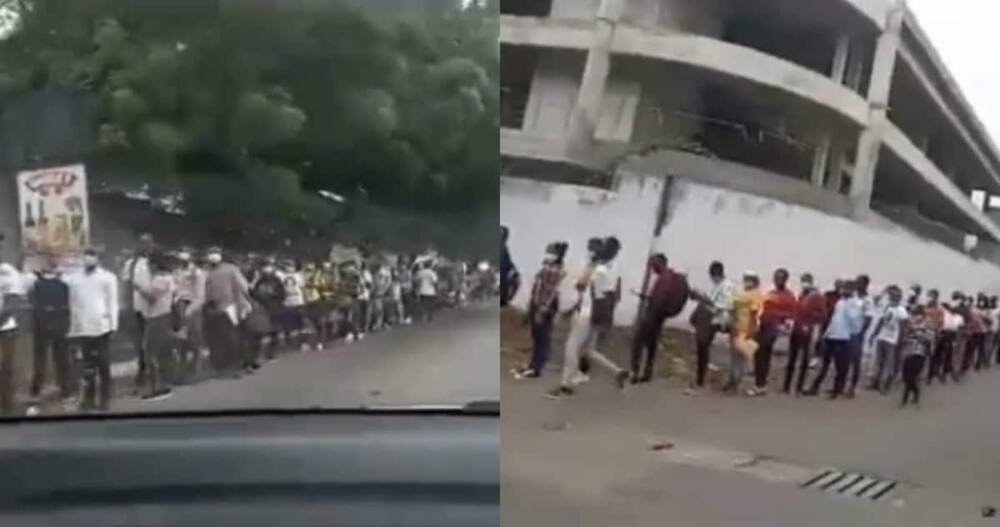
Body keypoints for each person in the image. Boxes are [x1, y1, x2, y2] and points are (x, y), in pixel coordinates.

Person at [546, 238, 629, 399]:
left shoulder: (598, 269)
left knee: (571, 347)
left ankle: (566, 387)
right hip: (598, 314)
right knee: (589, 350)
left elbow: (580, 285)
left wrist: (590, 266)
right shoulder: (613, 269)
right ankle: (617, 371)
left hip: (585, 313)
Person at [66, 248, 119, 412]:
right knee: (87, 367)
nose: (88, 259)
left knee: (103, 365)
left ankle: (105, 400)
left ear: (97, 259)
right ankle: (88, 399)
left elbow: (112, 302)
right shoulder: (75, 279)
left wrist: (113, 325)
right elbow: (73, 304)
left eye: (92, 256)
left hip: (102, 327)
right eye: (86, 256)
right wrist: (73, 328)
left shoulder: (108, 278)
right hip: (82, 328)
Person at [630, 254, 687, 384]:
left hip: (653, 316)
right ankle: (647, 372)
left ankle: (635, 372)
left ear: (661, 263)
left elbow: (660, 298)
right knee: (651, 345)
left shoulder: (664, 279)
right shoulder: (667, 277)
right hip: (659, 317)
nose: (652, 267)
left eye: (653, 264)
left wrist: (649, 316)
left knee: (638, 342)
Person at [515, 241, 567, 380]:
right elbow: (539, 286)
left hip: (544, 308)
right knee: (537, 336)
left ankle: (536, 367)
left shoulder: (555, 269)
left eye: (550, 252)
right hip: (538, 305)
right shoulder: (548, 266)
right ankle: (533, 365)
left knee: (541, 337)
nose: (547, 254)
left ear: (557, 254)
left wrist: (542, 309)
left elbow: (551, 292)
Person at [28, 255, 73, 402]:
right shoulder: (62, 285)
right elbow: (66, 307)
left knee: (42, 360)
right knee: (60, 360)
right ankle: (64, 390)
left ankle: (37, 389)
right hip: (57, 326)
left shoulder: (37, 285)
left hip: (43, 326)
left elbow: (34, 306)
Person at [805, 279, 860, 399]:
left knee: (840, 366)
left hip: (843, 338)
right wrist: (826, 334)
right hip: (831, 336)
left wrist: (851, 335)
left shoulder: (854, 304)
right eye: (843, 288)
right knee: (824, 363)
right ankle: (814, 387)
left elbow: (855, 323)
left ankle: (836, 390)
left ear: (852, 291)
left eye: (846, 288)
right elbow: (834, 319)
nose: (843, 290)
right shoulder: (840, 302)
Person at [203, 246, 251, 377]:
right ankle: (225, 366)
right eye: (210, 253)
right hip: (214, 308)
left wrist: (241, 303)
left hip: (231, 307)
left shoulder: (230, 269)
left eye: (215, 253)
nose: (212, 256)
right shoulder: (207, 271)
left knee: (233, 338)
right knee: (221, 339)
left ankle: (238, 366)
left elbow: (243, 286)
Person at [136, 252, 178, 400]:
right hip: (165, 316)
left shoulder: (160, 280)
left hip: (156, 317)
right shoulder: (170, 278)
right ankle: (163, 384)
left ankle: (157, 387)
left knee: (150, 353)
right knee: (161, 352)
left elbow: (151, 296)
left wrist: (139, 288)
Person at [751, 268, 798, 397]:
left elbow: (792, 316)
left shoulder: (789, 296)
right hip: (763, 327)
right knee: (759, 356)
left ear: (785, 280)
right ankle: (760, 384)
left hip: (773, 330)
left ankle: (760, 385)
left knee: (762, 355)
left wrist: (781, 326)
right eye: (776, 277)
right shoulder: (771, 293)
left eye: (781, 278)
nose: (778, 280)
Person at [688, 261, 733, 394]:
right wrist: (699, 297)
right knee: (702, 348)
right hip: (707, 319)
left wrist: (704, 299)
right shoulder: (715, 287)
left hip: (717, 320)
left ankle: (701, 380)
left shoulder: (727, 287)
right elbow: (709, 300)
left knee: (703, 346)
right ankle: (700, 379)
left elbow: (725, 306)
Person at [782, 273, 826, 395]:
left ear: (811, 282)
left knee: (804, 361)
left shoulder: (817, 296)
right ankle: (786, 386)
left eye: (806, 281)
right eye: (803, 281)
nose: (804, 283)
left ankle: (799, 387)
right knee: (791, 359)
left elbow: (822, 315)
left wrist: (811, 319)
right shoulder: (801, 295)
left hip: (807, 331)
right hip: (796, 330)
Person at [122, 233, 155, 394]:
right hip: (138, 308)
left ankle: (160, 376)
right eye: (143, 243)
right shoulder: (131, 264)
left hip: (158, 307)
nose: (146, 246)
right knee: (141, 344)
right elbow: (126, 285)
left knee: (156, 343)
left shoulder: (156, 262)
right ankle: (141, 376)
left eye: (149, 242)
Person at [724, 271, 764, 395]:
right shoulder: (741, 294)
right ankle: (732, 381)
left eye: (750, 279)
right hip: (736, 329)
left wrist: (751, 332)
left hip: (745, 331)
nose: (747, 281)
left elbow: (753, 315)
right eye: (746, 279)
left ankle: (737, 382)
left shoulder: (756, 295)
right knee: (734, 357)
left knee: (741, 358)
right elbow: (733, 311)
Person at [172, 249, 206, 382]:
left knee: (195, 340)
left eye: (184, 261)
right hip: (179, 306)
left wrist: (189, 311)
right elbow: (175, 289)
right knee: (181, 341)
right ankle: (182, 371)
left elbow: (200, 296)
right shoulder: (177, 272)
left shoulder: (197, 273)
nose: (181, 263)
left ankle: (196, 371)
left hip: (193, 306)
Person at [868, 285, 909, 394]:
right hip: (882, 337)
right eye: (891, 296)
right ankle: (875, 382)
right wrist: (874, 334)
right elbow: (881, 321)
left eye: (895, 296)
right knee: (879, 362)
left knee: (890, 364)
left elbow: (903, 327)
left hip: (892, 339)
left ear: (899, 297)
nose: (892, 297)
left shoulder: (901, 311)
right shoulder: (888, 307)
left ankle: (886, 386)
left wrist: (901, 340)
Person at [0, 254, 23, 415]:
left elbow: (13, 303)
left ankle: (6, 406)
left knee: (4, 369)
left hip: (4, 330)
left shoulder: (9, 273)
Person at [847, 274, 876, 397]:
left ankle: (852, 388)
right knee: (844, 359)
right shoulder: (852, 297)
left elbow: (868, 319)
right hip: (846, 331)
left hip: (857, 334)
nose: (857, 284)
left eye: (859, 282)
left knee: (855, 361)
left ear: (865, 285)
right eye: (856, 282)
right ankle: (841, 385)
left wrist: (860, 333)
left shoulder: (868, 300)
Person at [251, 259, 286, 360]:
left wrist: (277, 299)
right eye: (265, 267)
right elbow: (252, 292)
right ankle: (256, 353)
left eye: (269, 267)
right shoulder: (258, 280)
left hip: (274, 306)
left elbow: (282, 293)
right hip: (262, 307)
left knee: (274, 330)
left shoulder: (276, 280)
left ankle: (271, 352)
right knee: (260, 331)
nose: (267, 269)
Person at [900, 306, 932, 408]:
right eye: (915, 314)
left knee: (912, 376)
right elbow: (905, 336)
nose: (916, 316)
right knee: (905, 376)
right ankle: (915, 391)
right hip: (909, 352)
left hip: (919, 353)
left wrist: (917, 334)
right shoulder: (910, 323)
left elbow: (929, 338)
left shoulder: (927, 324)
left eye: (918, 314)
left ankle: (905, 399)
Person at [924, 289, 946, 384]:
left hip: (933, 333)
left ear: (936, 297)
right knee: (922, 354)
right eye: (929, 295)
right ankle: (923, 374)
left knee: (932, 356)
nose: (930, 298)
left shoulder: (939, 309)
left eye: (932, 296)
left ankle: (929, 376)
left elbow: (941, 323)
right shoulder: (925, 306)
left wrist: (938, 333)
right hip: (923, 332)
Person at [500, 226, 519, 307]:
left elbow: (508, 261)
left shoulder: (504, 248)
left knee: (515, 278)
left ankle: (506, 299)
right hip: (496, 270)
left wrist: (513, 268)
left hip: (503, 272)